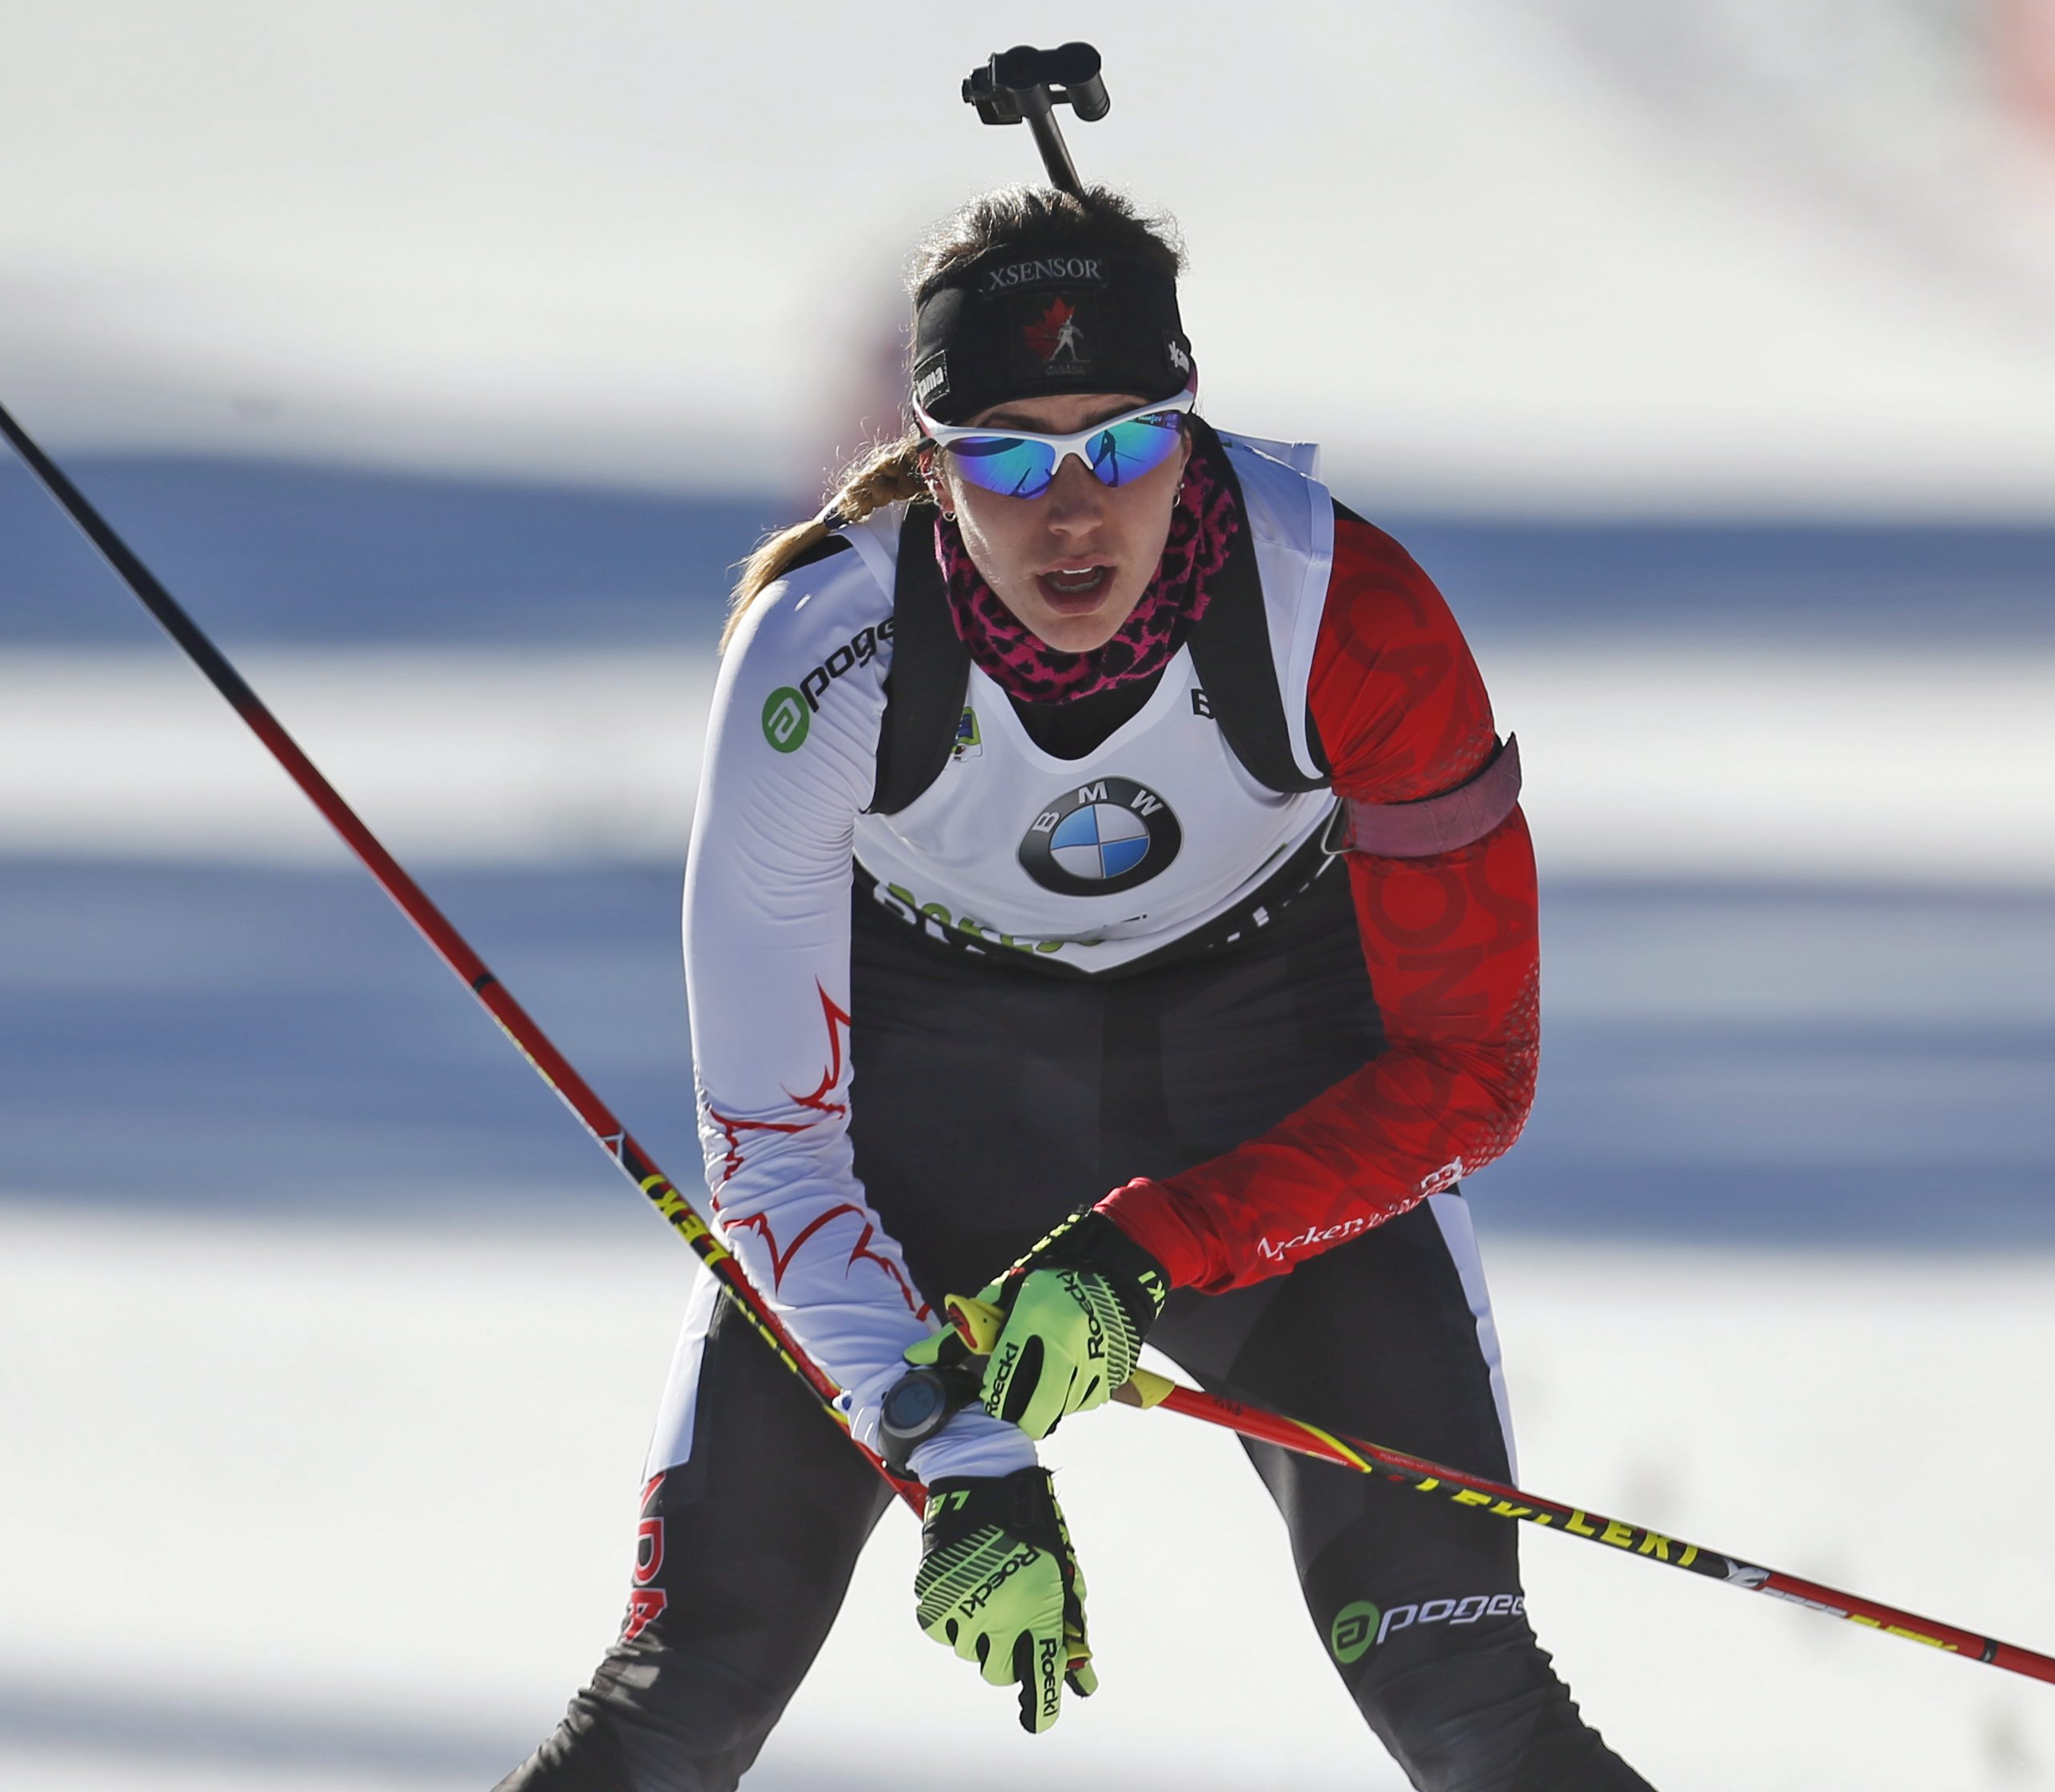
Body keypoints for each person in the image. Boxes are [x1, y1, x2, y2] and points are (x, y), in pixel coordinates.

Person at [495, 184, 1651, 1792]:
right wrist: (952, 1448)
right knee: (678, 1696)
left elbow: (1468, 1068)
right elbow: (770, 1142)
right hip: (919, 1129)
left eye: (1118, 443)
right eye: (1006, 458)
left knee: (1466, 1696)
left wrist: (1150, 1254)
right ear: (928, 456)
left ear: (1190, 427)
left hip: (1266, 1119)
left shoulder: (1350, 616)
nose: (1070, 514)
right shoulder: (823, 650)